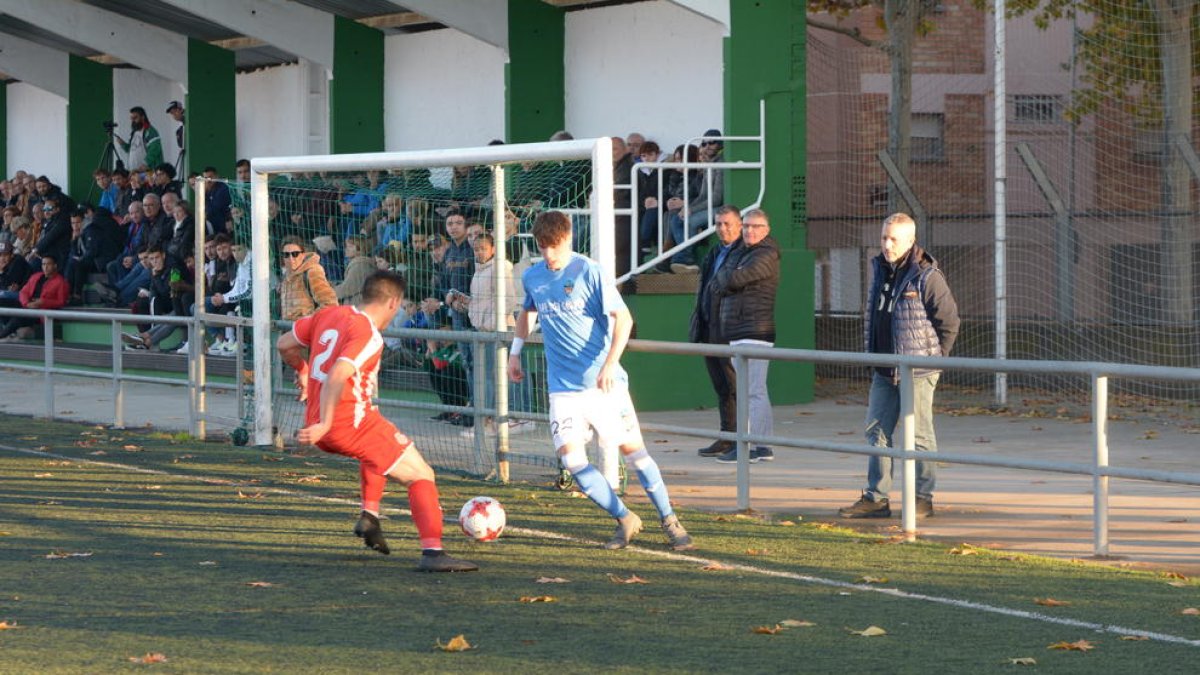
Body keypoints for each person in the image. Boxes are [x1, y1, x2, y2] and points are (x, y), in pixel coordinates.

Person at [509, 210, 695, 551]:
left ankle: (670, 520)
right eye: (542, 247)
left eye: (553, 246)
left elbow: (623, 318)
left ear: (566, 239)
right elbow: (528, 311)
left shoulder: (589, 271)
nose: (548, 254)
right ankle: (625, 518)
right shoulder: (534, 276)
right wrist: (515, 352)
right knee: (572, 460)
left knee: (634, 453)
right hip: (562, 389)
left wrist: (610, 364)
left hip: (601, 384)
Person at [276, 270, 478, 572]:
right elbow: (337, 375)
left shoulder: (328, 314)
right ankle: (433, 553)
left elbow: (284, 344)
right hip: (345, 424)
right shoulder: (369, 334)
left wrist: (303, 370)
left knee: (379, 450)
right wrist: (326, 424)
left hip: (326, 420)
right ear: (393, 303)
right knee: (422, 475)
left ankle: (369, 518)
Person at [839, 212, 960, 519]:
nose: (887, 244)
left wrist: (934, 359)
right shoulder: (880, 270)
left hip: (917, 370)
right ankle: (876, 497)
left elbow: (949, 321)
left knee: (919, 434)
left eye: (894, 239)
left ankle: (922, 497)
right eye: (884, 237)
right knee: (875, 431)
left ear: (909, 241)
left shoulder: (927, 276)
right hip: (883, 368)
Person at [710, 208, 780, 464]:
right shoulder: (745, 252)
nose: (750, 231)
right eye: (747, 226)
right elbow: (722, 279)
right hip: (740, 331)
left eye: (756, 227)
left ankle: (750, 446)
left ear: (766, 230)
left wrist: (727, 277)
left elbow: (733, 279)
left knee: (753, 391)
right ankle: (763, 446)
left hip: (754, 331)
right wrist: (726, 276)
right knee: (754, 390)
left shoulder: (766, 254)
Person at [690, 205, 744, 459]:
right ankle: (726, 436)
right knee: (721, 387)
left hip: (729, 329)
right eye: (719, 224)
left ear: (740, 225)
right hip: (708, 327)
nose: (723, 228)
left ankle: (740, 439)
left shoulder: (744, 253)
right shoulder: (713, 253)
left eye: (728, 223)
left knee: (735, 386)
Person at [0, 254, 68, 340]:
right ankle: (8, 329)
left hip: (40, 312)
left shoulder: (61, 282)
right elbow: (24, 291)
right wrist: (26, 303)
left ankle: (2, 335)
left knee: (19, 317)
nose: (45, 267)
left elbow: (61, 302)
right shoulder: (36, 276)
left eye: (48, 264)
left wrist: (42, 302)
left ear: (55, 266)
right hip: (27, 305)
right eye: (43, 264)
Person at [278, 236, 336, 321]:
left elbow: (330, 304)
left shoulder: (312, 272)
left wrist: (307, 322)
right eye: (286, 255)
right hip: (290, 329)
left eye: (295, 254)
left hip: (307, 330)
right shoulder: (286, 277)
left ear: (303, 255)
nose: (291, 259)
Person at [115, 106, 163, 172]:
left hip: (148, 172)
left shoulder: (150, 131)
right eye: (131, 118)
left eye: (135, 118)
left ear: (142, 117)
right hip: (134, 173)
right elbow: (131, 149)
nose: (132, 121)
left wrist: (145, 164)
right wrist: (123, 144)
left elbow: (155, 150)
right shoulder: (134, 132)